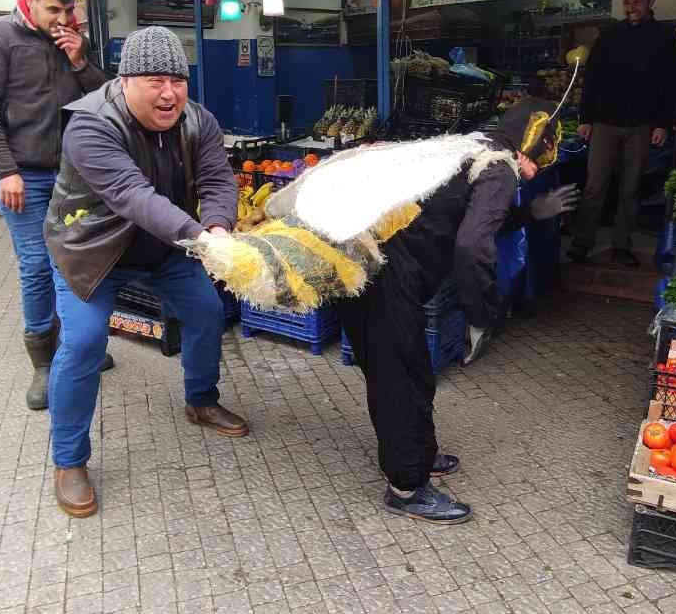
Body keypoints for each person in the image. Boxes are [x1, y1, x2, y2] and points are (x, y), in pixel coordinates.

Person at [182, 101, 577, 524]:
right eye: (537, 161)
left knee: (408, 371)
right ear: (524, 150)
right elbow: (472, 246)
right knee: (400, 377)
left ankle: (416, 452)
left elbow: (467, 211)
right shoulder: (500, 167)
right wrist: (483, 313)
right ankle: (407, 485)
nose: (535, 172)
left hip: (364, 267)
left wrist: (529, 214)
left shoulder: (469, 147)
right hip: (386, 279)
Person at [41, 26, 244, 518]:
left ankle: (200, 399)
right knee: (85, 342)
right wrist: (200, 238)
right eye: (155, 80)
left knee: (205, 312)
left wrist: (217, 224)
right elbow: (133, 195)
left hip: (163, 247)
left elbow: (218, 178)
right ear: (125, 81)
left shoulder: (200, 121)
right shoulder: (89, 125)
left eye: (178, 79)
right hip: (90, 250)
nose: (169, 92)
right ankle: (69, 460)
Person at [0, 0, 115, 411]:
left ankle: (79, 348)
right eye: (54, 10)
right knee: (36, 266)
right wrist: (4, 169)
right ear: (29, 1)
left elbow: (107, 99)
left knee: (76, 263)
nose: (62, 19)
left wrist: (79, 63)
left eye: (68, 11)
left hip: (72, 175)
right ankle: (44, 364)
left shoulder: (70, 42)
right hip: (23, 177)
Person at [568, 0, 676, 268]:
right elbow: (591, 79)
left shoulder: (666, 36)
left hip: (642, 125)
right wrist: (586, 118)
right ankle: (582, 242)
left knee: (630, 188)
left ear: (651, 1)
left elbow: (671, 84)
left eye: (637, 2)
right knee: (595, 185)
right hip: (604, 123)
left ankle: (621, 244)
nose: (631, 8)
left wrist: (663, 124)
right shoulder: (609, 35)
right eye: (627, 3)